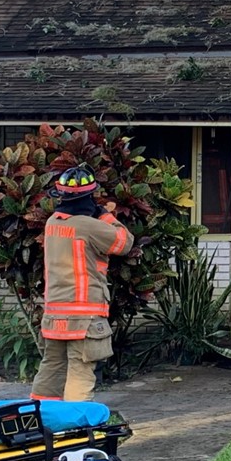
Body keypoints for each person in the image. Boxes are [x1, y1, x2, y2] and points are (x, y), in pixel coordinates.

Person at [30, 165, 134, 402]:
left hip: (55, 315)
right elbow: (124, 242)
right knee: (81, 370)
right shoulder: (88, 225)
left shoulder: (52, 223)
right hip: (85, 316)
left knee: (51, 368)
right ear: (89, 196)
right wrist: (104, 214)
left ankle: (41, 421)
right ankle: (73, 427)